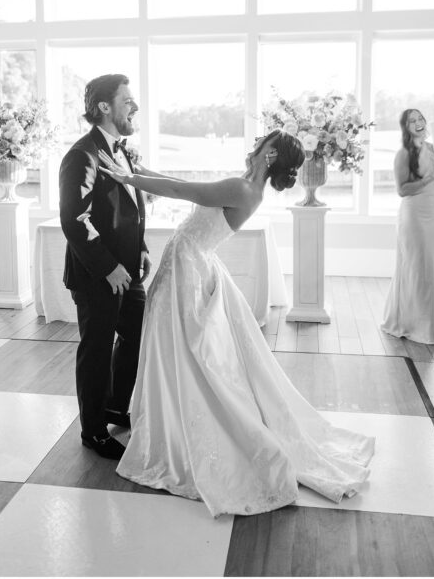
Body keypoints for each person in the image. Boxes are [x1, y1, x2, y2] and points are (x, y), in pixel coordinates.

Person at [98, 130, 374, 517]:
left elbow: (183, 193)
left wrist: (130, 179)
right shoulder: (245, 187)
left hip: (188, 270)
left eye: (263, 141)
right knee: (176, 350)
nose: (256, 143)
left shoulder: (242, 189)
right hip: (190, 264)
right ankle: (167, 419)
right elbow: (183, 184)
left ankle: (176, 429)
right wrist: (138, 169)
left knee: (179, 350)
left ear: (270, 152)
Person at [59, 74, 148, 460]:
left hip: (127, 269)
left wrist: (140, 247)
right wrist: (109, 266)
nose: (135, 107)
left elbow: (125, 206)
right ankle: (92, 430)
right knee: (96, 349)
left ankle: (113, 405)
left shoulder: (119, 148)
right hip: (99, 274)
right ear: (105, 108)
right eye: (127, 101)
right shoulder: (83, 155)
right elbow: (75, 218)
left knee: (135, 334)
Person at [381, 109, 434, 346]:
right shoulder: (403, 154)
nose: (419, 123)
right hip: (413, 217)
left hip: (433, 213)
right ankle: (416, 328)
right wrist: (431, 176)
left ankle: (420, 325)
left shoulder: (433, 149)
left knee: (429, 270)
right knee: (415, 270)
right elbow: (402, 190)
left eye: (420, 119)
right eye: (413, 120)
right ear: (406, 126)